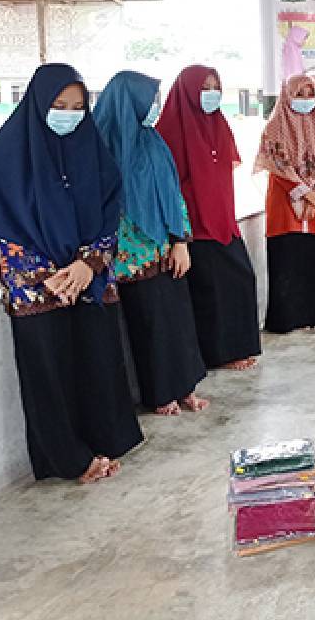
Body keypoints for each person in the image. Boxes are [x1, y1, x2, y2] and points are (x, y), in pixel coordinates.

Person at [0, 64, 143, 485]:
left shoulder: (92, 151)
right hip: (36, 289)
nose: (69, 114)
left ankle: (103, 442)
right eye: (59, 106)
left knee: (96, 362)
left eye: (78, 107)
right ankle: (70, 460)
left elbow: (109, 214)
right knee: (50, 374)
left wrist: (86, 264)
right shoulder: (4, 156)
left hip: (88, 278)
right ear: (37, 104)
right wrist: (48, 275)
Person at [94, 70, 209, 416]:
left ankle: (186, 387)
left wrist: (180, 241)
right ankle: (161, 394)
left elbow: (173, 195)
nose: (153, 107)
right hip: (131, 258)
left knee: (177, 320)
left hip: (165, 249)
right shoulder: (101, 147)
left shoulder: (153, 141)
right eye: (147, 100)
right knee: (150, 327)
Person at [157, 65, 262, 371]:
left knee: (241, 279)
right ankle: (218, 354)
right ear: (187, 91)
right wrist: (178, 235)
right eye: (203, 88)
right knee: (210, 291)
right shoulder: (170, 130)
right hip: (193, 228)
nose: (211, 94)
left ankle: (236, 348)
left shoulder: (219, 125)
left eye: (215, 87)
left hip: (224, 223)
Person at [255, 74, 315, 333]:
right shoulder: (274, 128)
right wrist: (304, 192)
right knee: (288, 256)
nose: (306, 100)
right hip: (285, 200)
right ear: (287, 96)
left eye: (310, 95)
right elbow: (276, 164)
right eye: (300, 95)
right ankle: (288, 318)